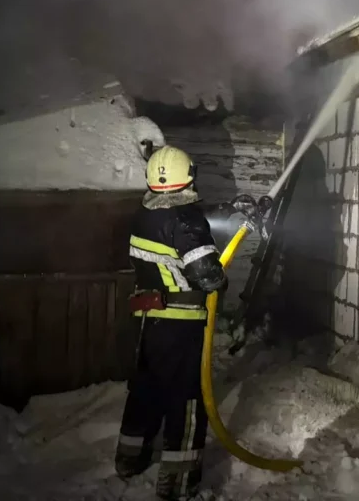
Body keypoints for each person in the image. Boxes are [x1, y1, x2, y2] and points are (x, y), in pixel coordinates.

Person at [115, 145, 226, 500]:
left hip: (149, 321)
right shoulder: (187, 220)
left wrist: (223, 213)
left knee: (146, 388)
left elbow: (173, 235)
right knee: (187, 397)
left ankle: (129, 458)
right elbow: (208, 275)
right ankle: (178, 480)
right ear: (189, 175)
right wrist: (219, 275)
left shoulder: (144, 213)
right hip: (181, 322)